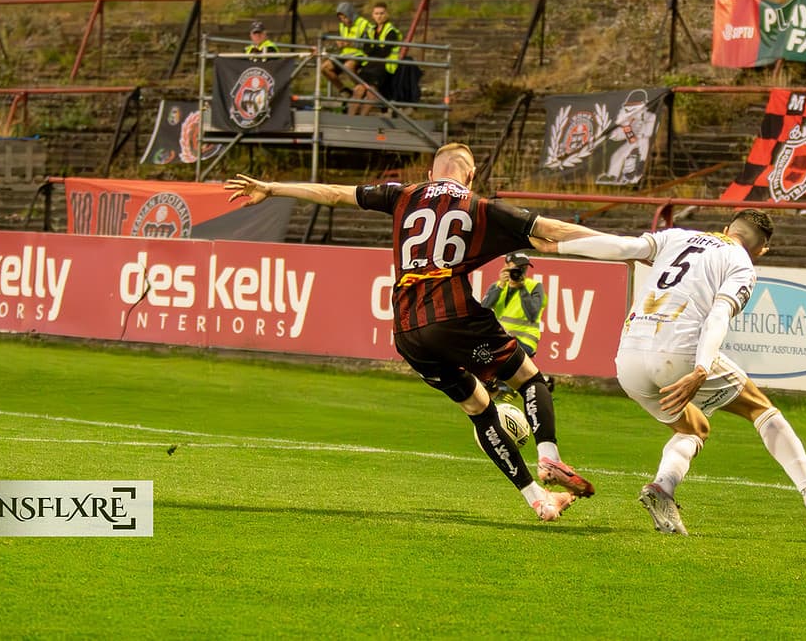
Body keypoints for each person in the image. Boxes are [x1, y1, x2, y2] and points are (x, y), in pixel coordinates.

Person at [224, 142, 594, 522]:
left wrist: (272, 187)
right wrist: (626, 247)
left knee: (479, 409)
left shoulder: (402, 194)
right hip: (453, 314)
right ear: (470, 176)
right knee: (530, 380)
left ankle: (538, 499)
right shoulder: (478, 206)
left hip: (406, 330)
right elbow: (552, 233)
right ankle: (548, 457)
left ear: (432, 173)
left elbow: (333, 194)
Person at [533, 209, 806, 536]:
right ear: (761, 250)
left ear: (726, 227)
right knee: (761, 409)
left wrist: (559, 248)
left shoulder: (676, 236)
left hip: (629, 358)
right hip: (679, 353)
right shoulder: (741, 263)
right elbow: (718, 315)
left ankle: (663, 488)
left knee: (694, 428)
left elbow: (622, 248)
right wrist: (702, 368)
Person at [480, 252, 546, 401]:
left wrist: (522, 289)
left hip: (525, 341)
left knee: (503, 355)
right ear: (506, 267)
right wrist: (501, 286)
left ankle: (504, 388)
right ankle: (498, 386)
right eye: (518, 267)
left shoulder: (534, 286)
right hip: (501, 339)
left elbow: (532, 314)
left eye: (524, 268)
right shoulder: (497, 286)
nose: (522, 271)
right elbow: (484, 308)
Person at [348, 2, 402, 117]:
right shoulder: (371, 30)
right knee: (358, 89)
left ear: (387, 14)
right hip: (370, 64)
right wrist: (375, 49)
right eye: (376, 13)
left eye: (382, 13)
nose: (379, 16)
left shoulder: (391, 32)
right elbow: (366, 48)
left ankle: (361, 119)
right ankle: (350, 119)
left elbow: (384, 52)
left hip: (384, 66)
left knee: (371, 92)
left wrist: (373, 49)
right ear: (372, 15)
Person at [320, 1, 373, 103]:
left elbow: (368, 46)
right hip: (345, 54)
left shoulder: (364, 24)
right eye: (341, 19)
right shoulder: (342, 26)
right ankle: (344, 91)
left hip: (359, 55)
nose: (344, 20)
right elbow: (344, 43)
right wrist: (339, 45)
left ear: (351, 14)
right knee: (324, 67)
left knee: (348, 67)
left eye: (345, 17)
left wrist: (351, 44)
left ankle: (365, 91)